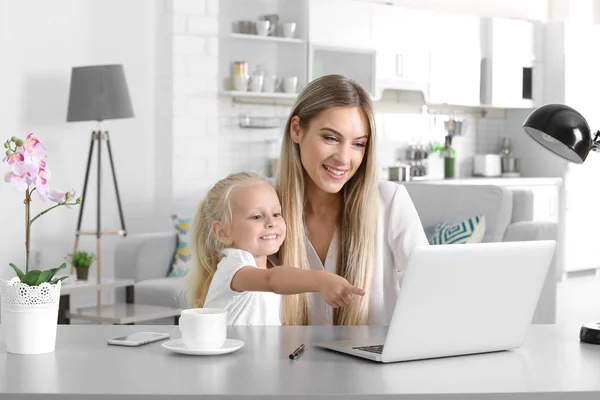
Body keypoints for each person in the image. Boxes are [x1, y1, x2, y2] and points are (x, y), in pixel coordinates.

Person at [275, 74, 429, 326]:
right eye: (331, 138)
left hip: (379, 365)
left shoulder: (390, 203)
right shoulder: (266, 213)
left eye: (358, 144)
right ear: (296, 130)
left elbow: (430, 294)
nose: (344, 159)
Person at [186, 171, 365, 326]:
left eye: (276, 214)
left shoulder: (270, 265)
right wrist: (322, 280)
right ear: (223, 232)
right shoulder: (233, 265)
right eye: (256, 216)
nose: (271, 223)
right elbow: (272, 280)